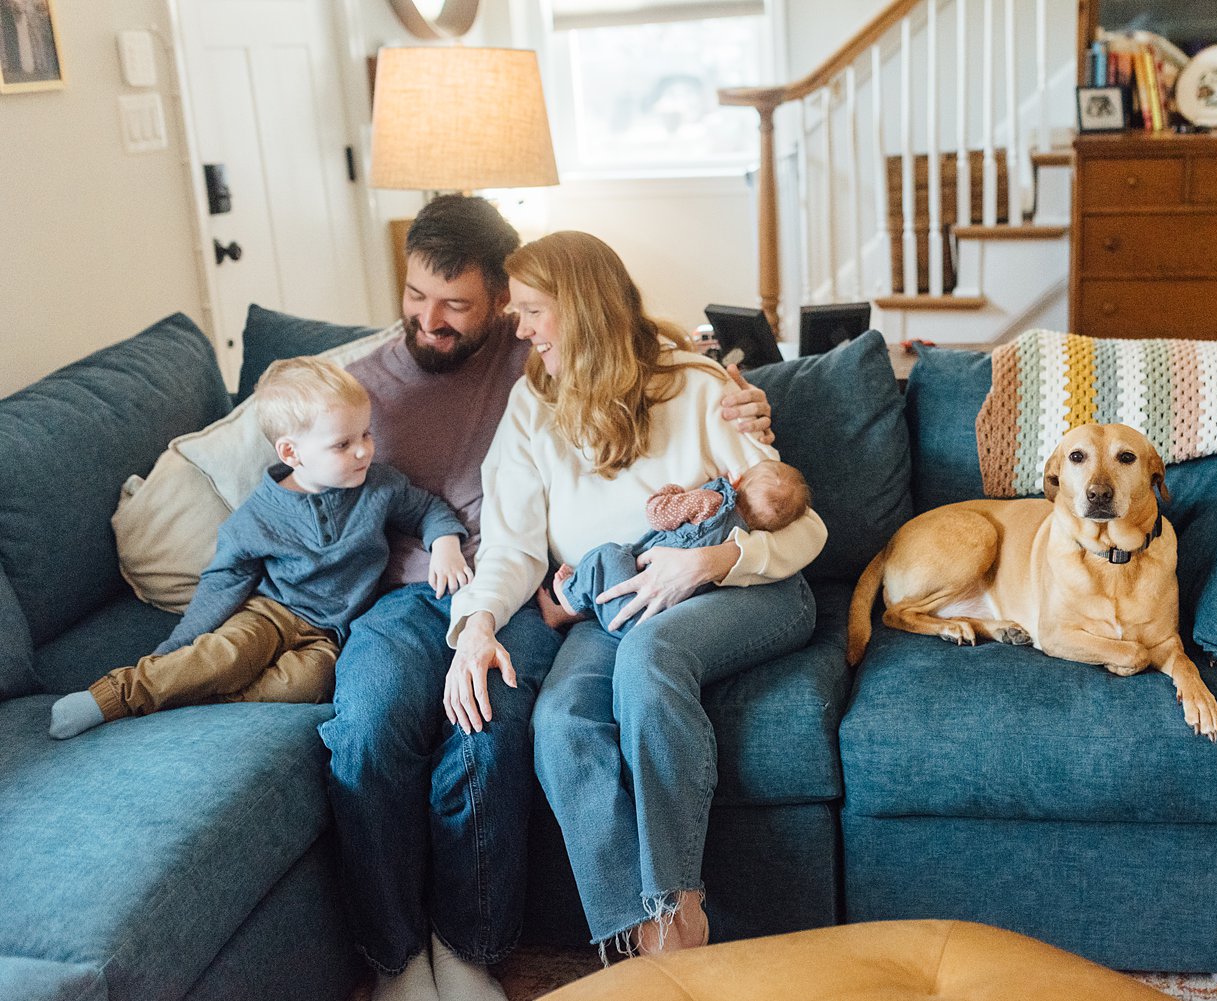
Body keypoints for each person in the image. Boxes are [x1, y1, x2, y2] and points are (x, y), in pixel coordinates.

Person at [318, 196, 778, 1001]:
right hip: (414, 598)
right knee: (371, 728)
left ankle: (478, 944)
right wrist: (470, 623)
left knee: (488, 722)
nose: (432, 318)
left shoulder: (541, 358)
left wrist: (744, 401)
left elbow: (634, 339)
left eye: (458, 303)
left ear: (498, 302)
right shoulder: (359, 384)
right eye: (416, 296)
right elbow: (279, 449)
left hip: (545, 588)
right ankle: (398, 960)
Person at [445, 230, 825, 961]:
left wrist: (713, 559)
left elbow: (805, 528)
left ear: (581, 307)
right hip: (621, 601)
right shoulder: (533, 406)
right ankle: (649, 943)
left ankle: (679, 900)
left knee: (651, 654)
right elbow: (514, 545)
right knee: (559, 720)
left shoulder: (702, 387)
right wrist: (477, 624)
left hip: (745, 585)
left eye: (531, 308)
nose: (518, 327)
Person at [48, 357, 470, 741]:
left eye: (366, 434)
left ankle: (182, 706)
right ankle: (114, 697)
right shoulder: (258, 515)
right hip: (269, 613)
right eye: (342, 444)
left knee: (307, 685)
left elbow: (426, 509)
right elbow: (224, 580)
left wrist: (446, 543)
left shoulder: (380, 486)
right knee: (226, 656)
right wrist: (179, 645)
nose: (363, 450)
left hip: (330, 633)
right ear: (292, 452)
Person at [544, 460, 811, 637]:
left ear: (738, 481)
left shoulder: (710, 502)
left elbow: (657, 513)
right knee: (613, 572)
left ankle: (567, 601)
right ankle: (581, 610)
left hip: (631, 605)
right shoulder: (744, 539)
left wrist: (674, 491)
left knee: (610, 554)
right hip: (653, 622)